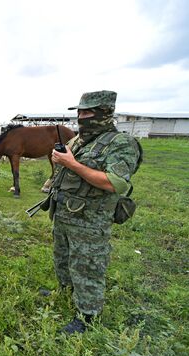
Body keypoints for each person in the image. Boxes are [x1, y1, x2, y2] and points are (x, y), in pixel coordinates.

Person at [49, 90, 141, 334]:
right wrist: (59, 160)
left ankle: (88, 315)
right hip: (65, 212)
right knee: (63, 255)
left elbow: (114, 183)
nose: (81, 117)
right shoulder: (78, 140)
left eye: (87, 112)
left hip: (91, 219)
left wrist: (73, 164)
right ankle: (65, 289)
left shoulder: (120, 144)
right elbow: (67, 167)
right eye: (79, 112)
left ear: (104, 113)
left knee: (87, 265)